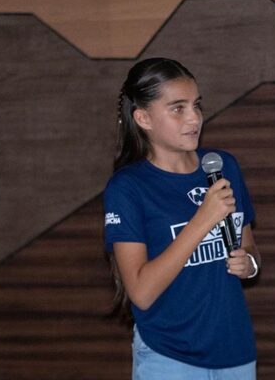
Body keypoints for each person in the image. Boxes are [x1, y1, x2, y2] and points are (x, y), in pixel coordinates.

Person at [103, 57, 261, 380]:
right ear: (143, 117)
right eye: (178, 108)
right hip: (169, 357)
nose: (194, 118)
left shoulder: (223, 166)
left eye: (196, 105)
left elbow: (250, 248)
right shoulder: (128, 188)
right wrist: (202, 220)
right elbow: (142, 292)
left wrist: (251, 264)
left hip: (236, 351)